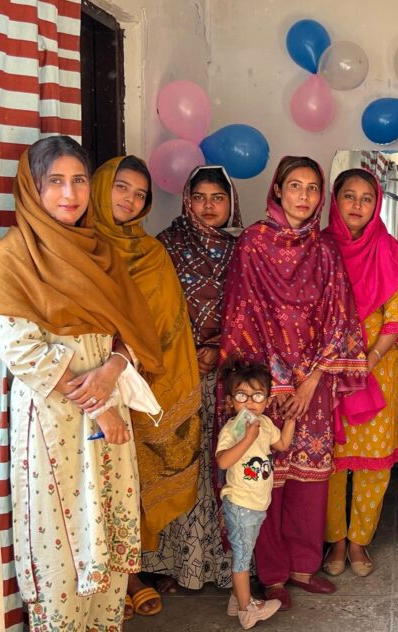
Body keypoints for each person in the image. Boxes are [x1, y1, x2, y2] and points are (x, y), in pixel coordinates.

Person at [0, 136, 163, 630]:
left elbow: (132, 329)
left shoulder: (100, 252)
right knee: (61, 537)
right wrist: (98, 404)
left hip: (108, 397)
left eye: (79, 180)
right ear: (33, 187)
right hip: (56, 416)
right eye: (56, 181)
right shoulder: (12, 259)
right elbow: (20, 348)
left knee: (108, 519)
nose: (71, 193)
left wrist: (113, 369)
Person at [221, 156, 366, 610]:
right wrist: (276, 386)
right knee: (265, 480)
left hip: (313, 384)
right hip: (264, 389)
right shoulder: (253, 244)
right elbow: (242, 315)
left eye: (312, 188)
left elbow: (341, 317)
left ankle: (304, 567)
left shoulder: (325, 250)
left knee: (310, 478)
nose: (304, 196)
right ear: (278, 191)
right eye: (295, 186)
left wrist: (310, 380)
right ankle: (273, 575)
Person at [91, 155, 202, 618]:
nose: (130, 200)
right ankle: (98, 579)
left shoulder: (150, 252)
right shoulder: (75, 243)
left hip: (137, 378)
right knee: (91, 482)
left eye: (140, 194)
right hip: (81, 378)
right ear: (100, 186)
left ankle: (130, 574)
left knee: (129, 478)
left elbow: (162, 319)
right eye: (122, 187)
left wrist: (125, 354)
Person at [146, 165, 242, 592]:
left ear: (230, 202)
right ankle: (174, 564)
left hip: (227, 374)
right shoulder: (165, 246)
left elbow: (251, 310)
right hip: (175, 372)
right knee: (179, 463)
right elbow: (155, 309)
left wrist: (221, 349)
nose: (208, 206)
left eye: (217, 198)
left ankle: (222, 564)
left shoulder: (242, 250)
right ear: (187, 200)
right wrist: (188, 351)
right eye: (199, 197)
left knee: (222, 464)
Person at [321, 169, 398, 578]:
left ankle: (359, 541)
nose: (357, 205)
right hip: (328, 370)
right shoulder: (320, 247)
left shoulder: (388, 249)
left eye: (367, 198)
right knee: (331, 462)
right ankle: (335, 541)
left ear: (377, 206)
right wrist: (338, 361)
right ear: (335, 201)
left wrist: (368, 361)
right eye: (349, 196)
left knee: (374, 463)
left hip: (378, 369)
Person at [216, 360, 296, 629]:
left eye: (257, 396)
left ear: (267, 401)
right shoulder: (232, 429)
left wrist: (291, 420)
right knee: (241, 558)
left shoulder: (265, 423)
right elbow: (223, 461)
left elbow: (282, 444)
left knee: (245, 551)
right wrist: (248, 438)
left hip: (258, 504)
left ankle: (235, 599)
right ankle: (246, 610)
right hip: (240, 504)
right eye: (242, 396)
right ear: (231, 402)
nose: (250, 403)